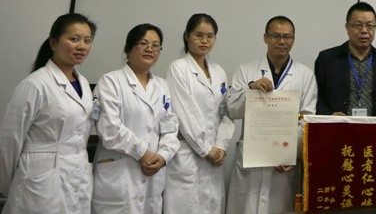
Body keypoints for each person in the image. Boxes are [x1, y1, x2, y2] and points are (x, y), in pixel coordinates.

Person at [0, 13, 97, 214]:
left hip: (77, 174)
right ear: (53, 42)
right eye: (74, 39)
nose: (82, 46)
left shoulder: (84, 85)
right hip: (39, 181)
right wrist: (6, 186)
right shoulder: (35, 84)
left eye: (87, 41)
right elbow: (9, 142)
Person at [226, 15, 318, 214]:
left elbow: (307, 120)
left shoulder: (305, 75)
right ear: (265, 38)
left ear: (293, 40)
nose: (282, 41)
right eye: (276, 36)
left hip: (284, 163)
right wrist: (251, 89)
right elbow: (232, 109)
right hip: (251, 159)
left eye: (287, 37)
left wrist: (288, 154)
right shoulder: (246, 70)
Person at [91, 24, 180, 214]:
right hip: (119, 173)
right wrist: (144, 154)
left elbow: (170, 127)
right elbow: (109, 128)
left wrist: (163, 156)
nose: (150, 49)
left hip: (153, 174)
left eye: (155, 45)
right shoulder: (110, 81)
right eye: (143, 43)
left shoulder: (162, 86)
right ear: (128, 48)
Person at [164, 13, 235, 214]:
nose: (204, 41)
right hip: (188, 153)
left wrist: (221, 146)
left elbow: (225, 112)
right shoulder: (178, 68)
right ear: (187, 36)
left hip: (214, 155)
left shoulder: (219, 71)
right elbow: (184, 113)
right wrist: (206, 149)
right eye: (198, 35)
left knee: (212, 206)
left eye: (210, 36)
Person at [314, 1, 376, 116]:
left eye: (370, 26)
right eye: (358, 25)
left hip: (373, 125)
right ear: (347, 27)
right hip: (338, 125)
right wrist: (330, 115)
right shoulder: (327, 59)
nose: (364, 31)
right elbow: (317, 98)